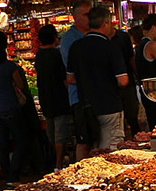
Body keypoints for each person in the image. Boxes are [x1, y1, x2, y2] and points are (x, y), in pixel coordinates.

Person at [67, 7, 128, 149]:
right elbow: (123, 80)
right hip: (109, 105)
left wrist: (88, 80)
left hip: (86, 106)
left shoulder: (76, 47)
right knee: (111, 149)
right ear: (105, 24)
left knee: (92, 148)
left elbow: (70, 79)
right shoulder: (110, 47)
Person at [0, 31, 28, 187]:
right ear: (6, 44)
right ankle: (13, 175)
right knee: (21, 141)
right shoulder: (10, 66)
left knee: (2, 143)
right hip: (11, 108)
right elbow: (20, 85)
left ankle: (7, 175)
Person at [35, 24, 72, 171]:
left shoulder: (39, 55)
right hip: (59, 99)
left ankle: (57, 161)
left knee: (52, 133)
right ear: (54, 38)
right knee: (60, 134)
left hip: (45, 99)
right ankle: (58, 164)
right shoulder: (57, 55)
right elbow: (65, 79)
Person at [60, 0, 92, 161]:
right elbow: (72, 73)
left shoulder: (93, 34)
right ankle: (82, 173)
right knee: (83, 140)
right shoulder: (69, 39)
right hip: (79, 98)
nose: (90, 18)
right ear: (75, 17)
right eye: (85, 14)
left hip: (95, 96)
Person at [111, 26, 141, 136]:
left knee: (132, 116)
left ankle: (136, 138)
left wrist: (137, 77)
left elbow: (131, 59)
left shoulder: (123, 37)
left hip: (127, 84)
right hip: (111, 86)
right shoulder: (100, 39)